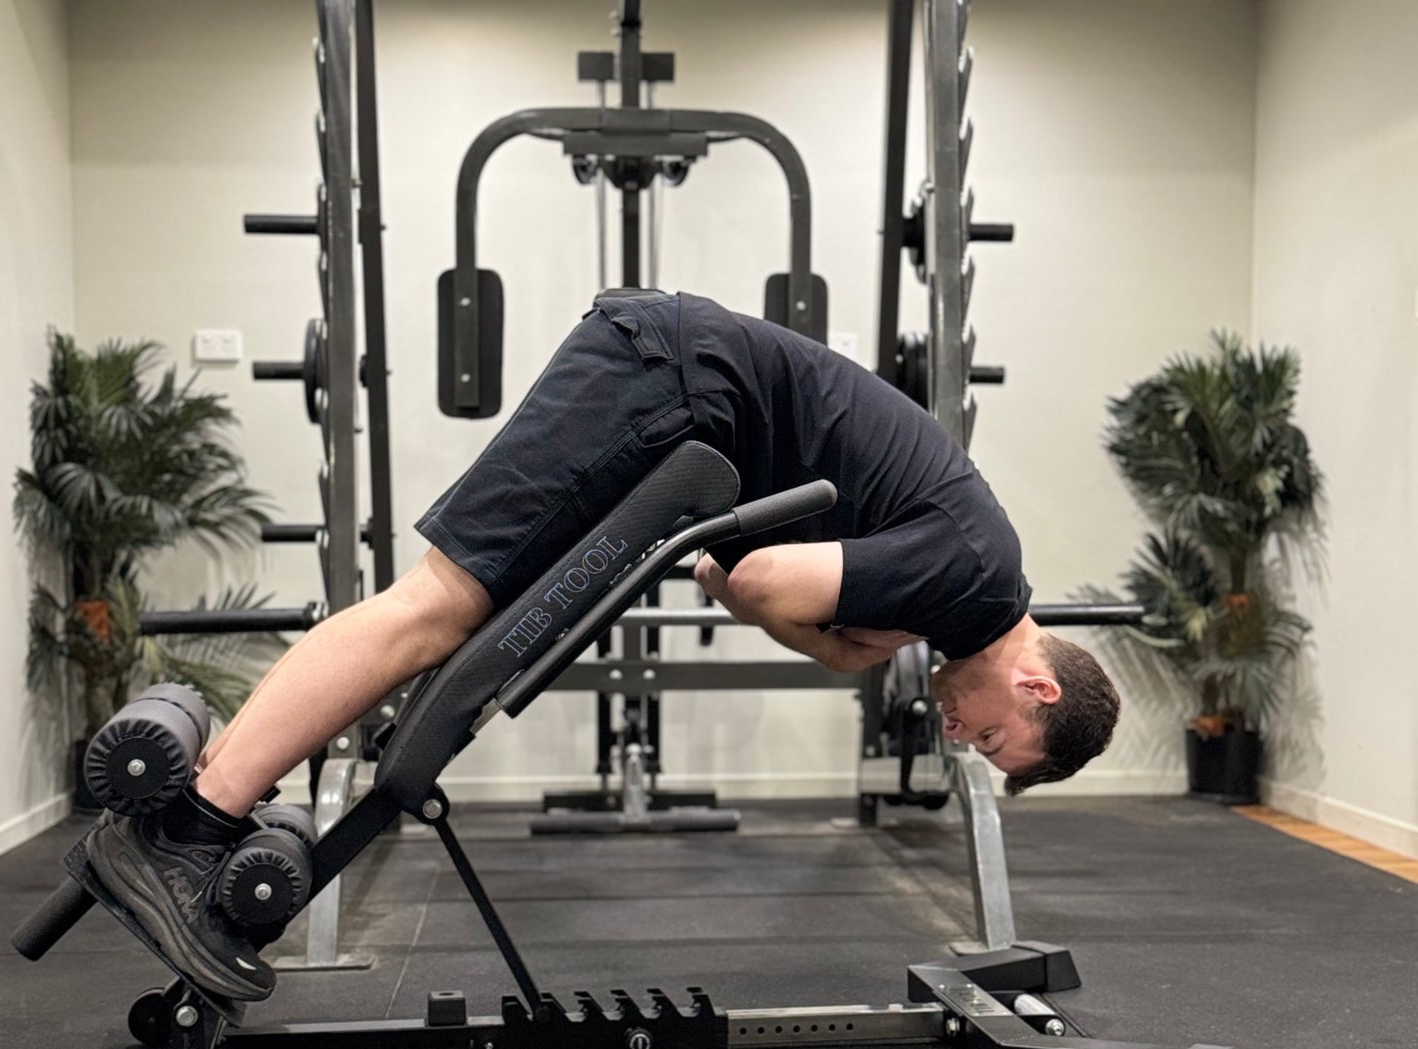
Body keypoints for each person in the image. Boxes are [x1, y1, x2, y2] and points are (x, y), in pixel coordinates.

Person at [85, 290, 1120, 1005]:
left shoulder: (970, 587)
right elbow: (756, 578)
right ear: (1035, 685)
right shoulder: (972, 580)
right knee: (433, 609)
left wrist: (810, 624)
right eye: (994, 739)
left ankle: (204, 809)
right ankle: (189, 826)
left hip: (673, 381)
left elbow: (749, 567)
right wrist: (830, 651)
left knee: (439, 615)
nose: (963, 738)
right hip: (668, 377)